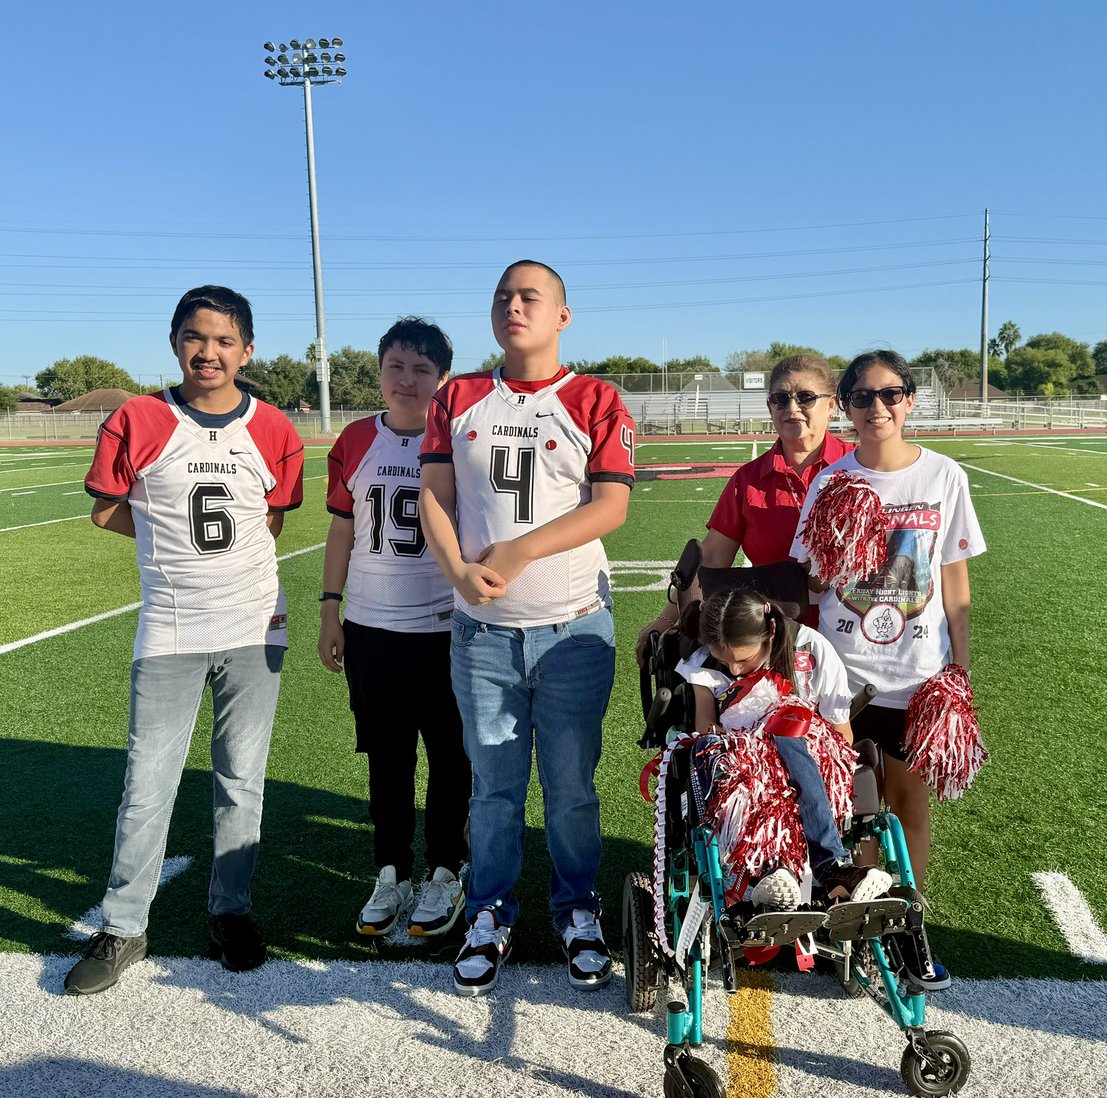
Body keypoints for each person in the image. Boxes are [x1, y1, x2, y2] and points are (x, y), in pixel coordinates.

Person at [65, 286, 304, 995]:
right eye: (197, 338)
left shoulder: (274, 428)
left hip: (255, 626)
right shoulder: (138, 417)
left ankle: (231, 911)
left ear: (247, 351)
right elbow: (107, 509)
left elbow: (272, 521)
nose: (210, 352)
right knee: (147, 785)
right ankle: (124, 925)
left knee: (241, 781)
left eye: (226, 341)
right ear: (175, 343)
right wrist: (169, 547)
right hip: (169, 627)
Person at [419, 260, 635, 997]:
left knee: (571, 787)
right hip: (482, 633)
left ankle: (577, 909)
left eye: (530, 296)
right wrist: (455, 568)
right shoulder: (461, 395)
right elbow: (433, 493)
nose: (514, 306)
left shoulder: (596, 396)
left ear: (562, 316)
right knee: (494, 789)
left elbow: (610, 506)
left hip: (574, 628)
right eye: (503, 296)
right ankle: (489, 911)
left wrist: (521, 549)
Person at [795, 350, 985, 890]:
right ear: (847, 408)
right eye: (862, 397)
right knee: (855, 811)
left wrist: (959, 672)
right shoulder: (829, 481)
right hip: (843, 675)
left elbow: (953, 579)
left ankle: (907, 924)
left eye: (889, 395)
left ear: (909, 401)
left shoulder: (944, 475)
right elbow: (811, 583)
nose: (876, 407)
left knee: (907, 807)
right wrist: (834, 543)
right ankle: (861, 922)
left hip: (917, 675)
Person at [318, 317, 471, 941]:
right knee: (386, 758)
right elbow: (342, 529)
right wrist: (331, 606)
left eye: (422, 369)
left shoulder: (460, 440)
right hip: (373, 626)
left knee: (449, 758)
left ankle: (445, 868)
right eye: (396, 367)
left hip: (442, 626)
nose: (407, 380)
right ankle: (391, 871)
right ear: (379, 372)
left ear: (441, 379)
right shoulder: (356, 439)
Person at [679, 588, 891, 909]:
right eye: (725, 660)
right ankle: (765, 869)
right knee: (715, 747)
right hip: (742, 765)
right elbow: (707, 728)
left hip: (807, 755)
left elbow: (840, 732)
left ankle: (830, 865)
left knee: (786, 726)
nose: (735, 670)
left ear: (771, 633)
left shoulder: (811, 648)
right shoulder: (703, 662)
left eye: (744, 659)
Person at [637, 353, 852, 661]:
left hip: (854, 638)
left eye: (805, 398)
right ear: (770, 407)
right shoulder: (748, 480)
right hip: (773, 642)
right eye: (780, 399)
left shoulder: (860, 470)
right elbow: (710, 560)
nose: (792, 409)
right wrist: (666, 619)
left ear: (831, 405)